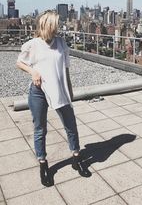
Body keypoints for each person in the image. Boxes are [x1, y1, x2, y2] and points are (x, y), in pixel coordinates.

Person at [17, 10, 81, 186]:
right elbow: (19, 62)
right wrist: (33, 71)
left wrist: (69, 89)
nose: (58, 28)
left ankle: (76, 158)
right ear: (47, 25)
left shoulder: (61, 43)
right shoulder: (33, 44)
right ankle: (43, 164)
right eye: (55, 24)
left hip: (60, 90)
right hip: (38, 92)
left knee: (71, 125)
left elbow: (66, 69)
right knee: (40, 129)